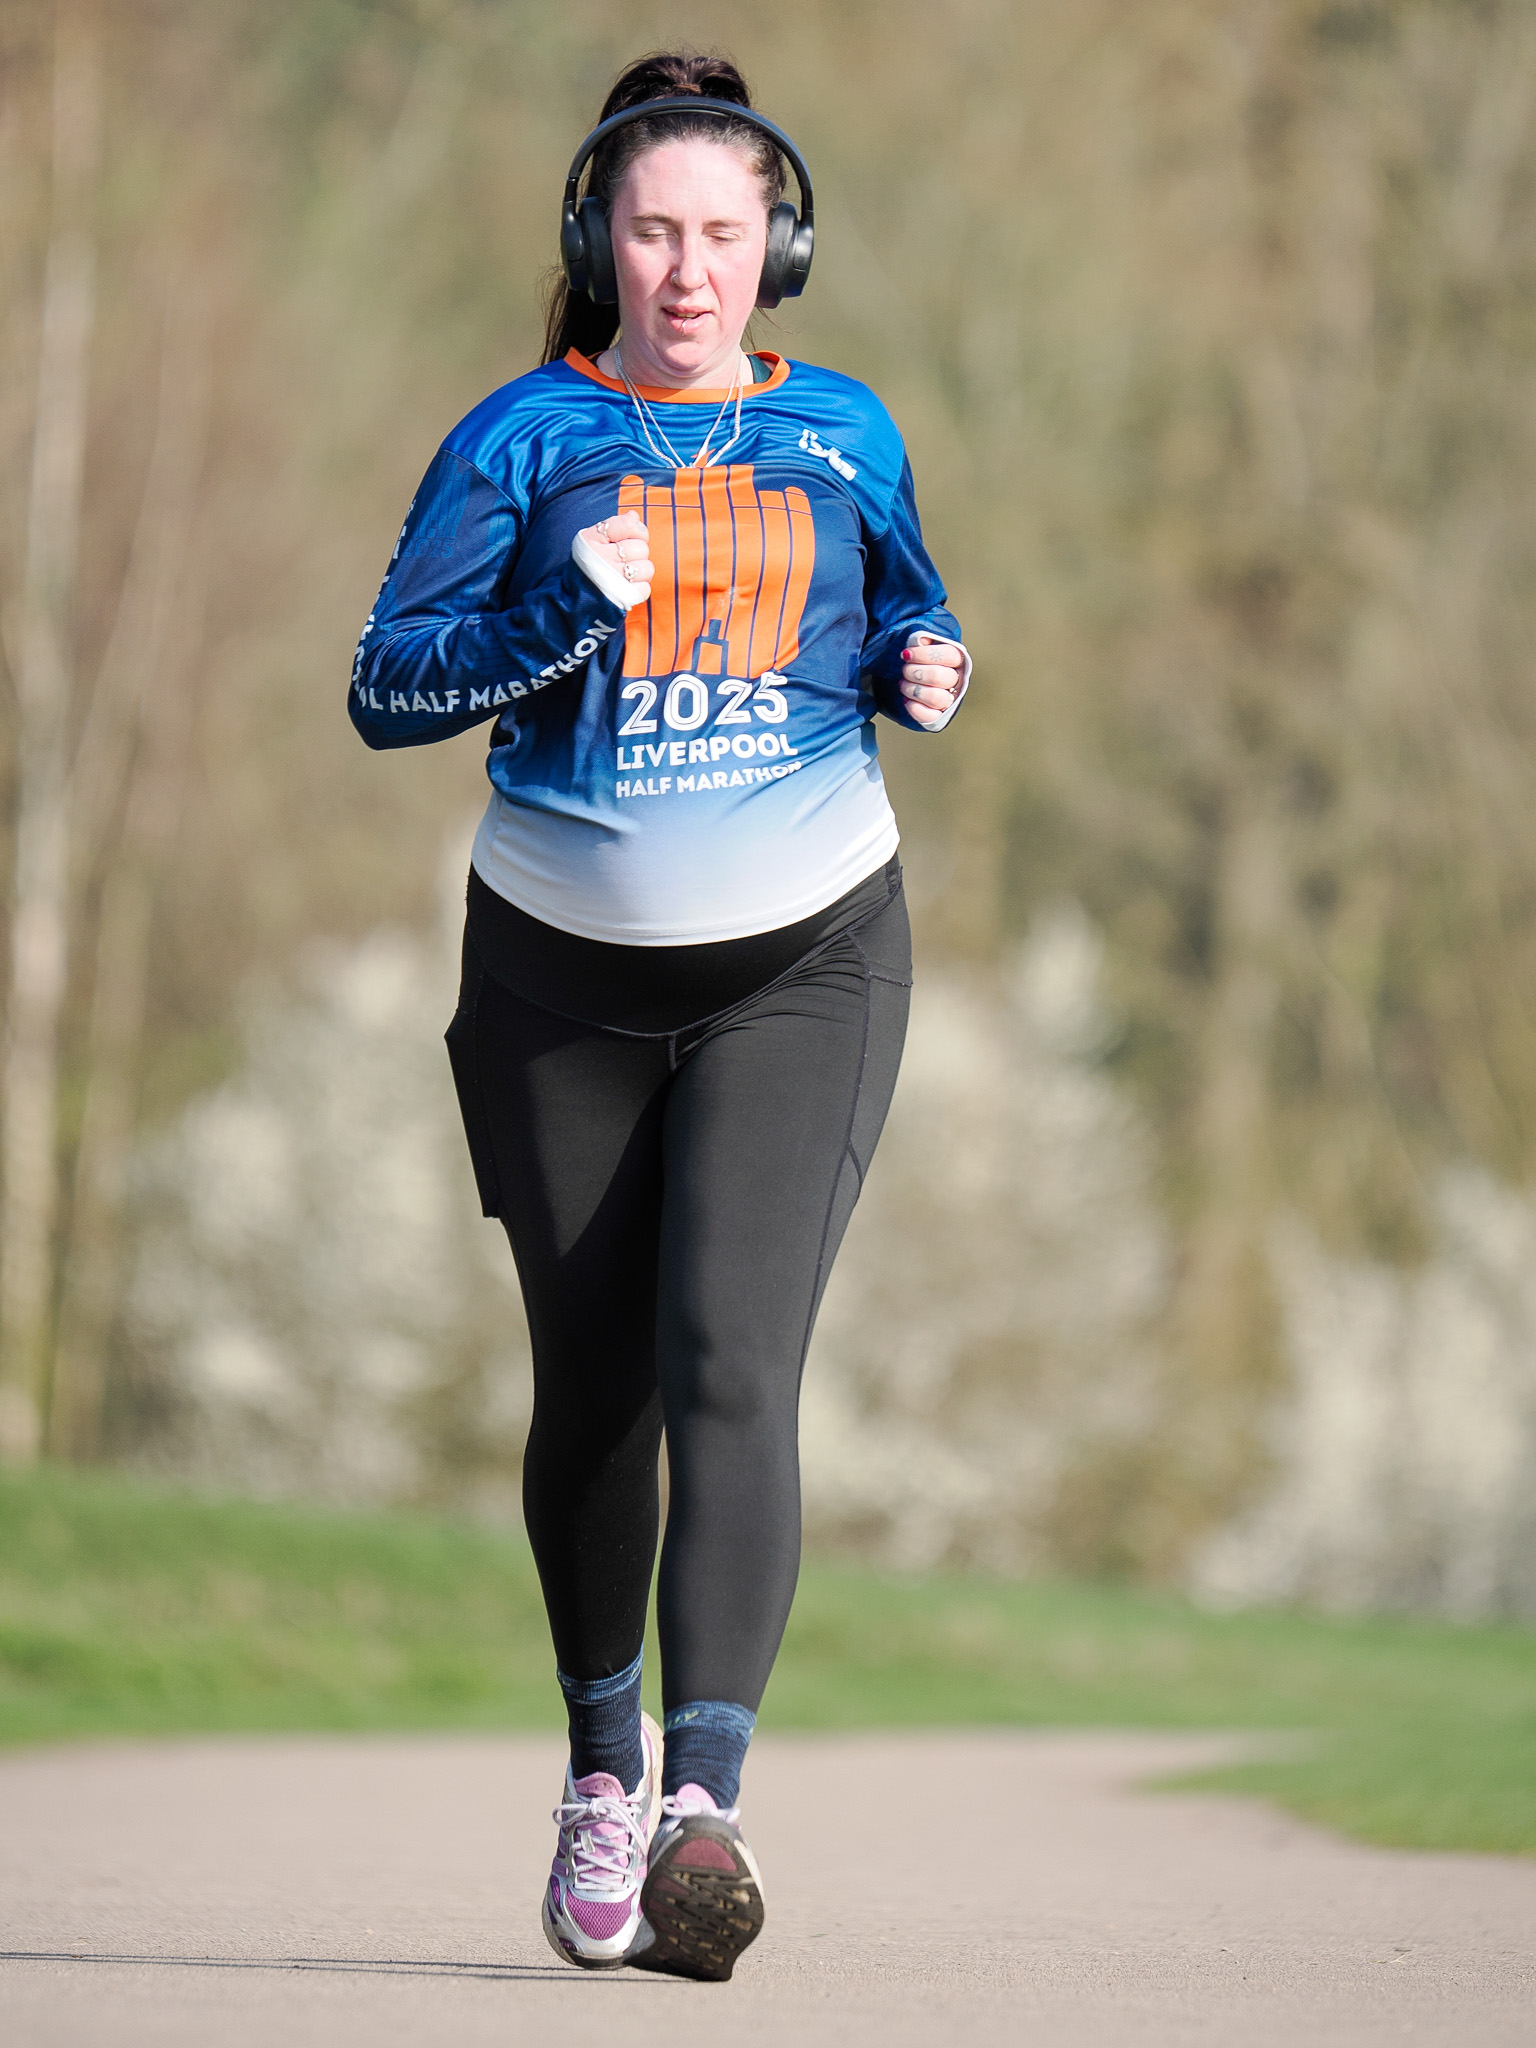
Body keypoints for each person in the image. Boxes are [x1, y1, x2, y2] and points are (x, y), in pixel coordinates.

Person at [349, 49, 969, 1983]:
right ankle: (602, 1763)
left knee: (730, 1354)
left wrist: (926, 660)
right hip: (558, 982)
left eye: (722, 233)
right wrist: (555, 615)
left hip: (807, 956)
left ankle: (704, 1808)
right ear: (595, 241)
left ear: (775, 249)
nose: (688, 268)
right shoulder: (522, 440)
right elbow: (387, 685)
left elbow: (893, 612)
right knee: (597, 1391)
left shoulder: (846, 431)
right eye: (652, 231)